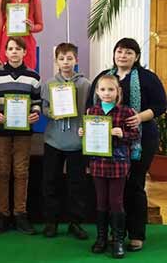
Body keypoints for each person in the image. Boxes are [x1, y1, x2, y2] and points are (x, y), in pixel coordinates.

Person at [87, 38, 167, 252]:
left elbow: (161, 105)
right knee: (110, 192)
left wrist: (139, 117)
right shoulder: (104, 77)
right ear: (114, 54)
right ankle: (113, 235)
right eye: (120, 51)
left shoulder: (147, 78)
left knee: (134, 186)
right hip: (106, 144)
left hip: (142, 139)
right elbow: (90, 107)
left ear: (136, 56)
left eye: (129, 52)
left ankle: (136, 234)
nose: (123, 56)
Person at [80, 75, 140, 259]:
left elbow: (135, 135)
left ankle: (118, 240)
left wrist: (122, 133)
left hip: (118, 164)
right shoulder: (92, 111)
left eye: (111, 89)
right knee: (101, 201)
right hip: (98, 162)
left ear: (118, 92)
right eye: (103, 89)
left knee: (116, 201)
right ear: (97, 92)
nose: (107, 93)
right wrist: (82, 132)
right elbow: (88, 137)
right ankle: (101, 239)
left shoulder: (126, 112)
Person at [0, 37, 41, 235]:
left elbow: (37, 101)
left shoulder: (33, 76)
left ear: (25, 52)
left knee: (21, 172)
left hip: (23, 132)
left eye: (18, 49)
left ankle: (20, 214)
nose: (14, 52)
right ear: (5, 52)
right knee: (2, 171)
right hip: (1, 132)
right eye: (10, 49)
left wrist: (35, 113)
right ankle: (2, 214)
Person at [40, 43, 90, 240]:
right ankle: (51, 222)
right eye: (62, 59)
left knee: (77, 183)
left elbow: (91, 109)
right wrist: (52, 113)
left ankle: (75, 222)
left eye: (70, 58)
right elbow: (44, 107)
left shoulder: (85, 84)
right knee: (50, 181)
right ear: (56, 61)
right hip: (54, 140)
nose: (66, 62)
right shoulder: (49, 83)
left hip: (77, 141)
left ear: (76, 60)